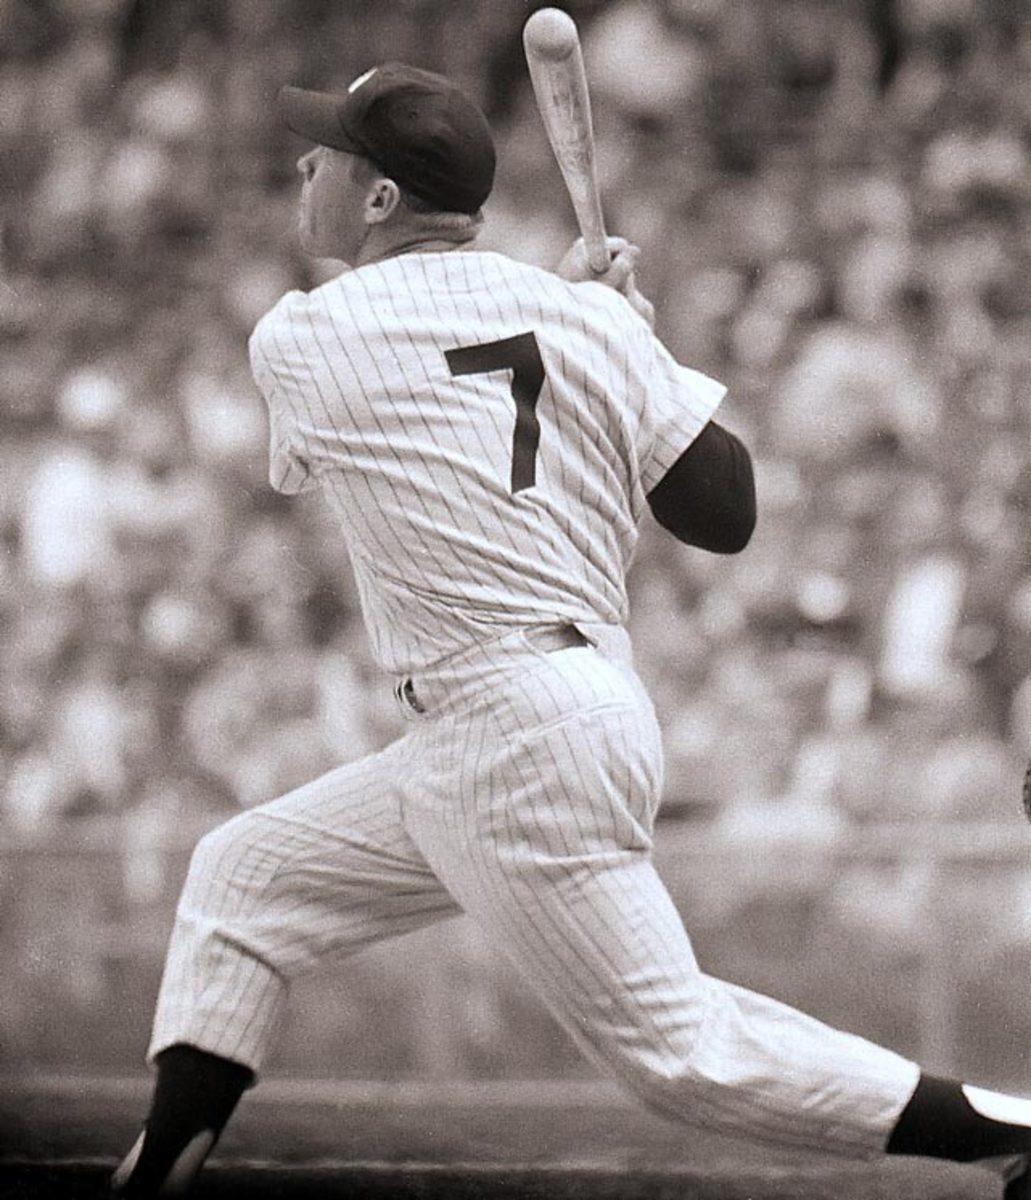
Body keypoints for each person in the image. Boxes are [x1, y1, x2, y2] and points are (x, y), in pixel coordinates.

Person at [113, 62, 1031, 1198]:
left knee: (677, 1056)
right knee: (244, 876)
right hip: (536, 714)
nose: (304, 168)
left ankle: (1019, 1131)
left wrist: (588, 327)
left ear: (382, 199)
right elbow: (722, 511)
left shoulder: (300, 337)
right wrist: (620, 339)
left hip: (507, 735)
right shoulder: (573, 319)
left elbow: (423, 398)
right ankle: (152, 1172)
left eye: (328, 155)